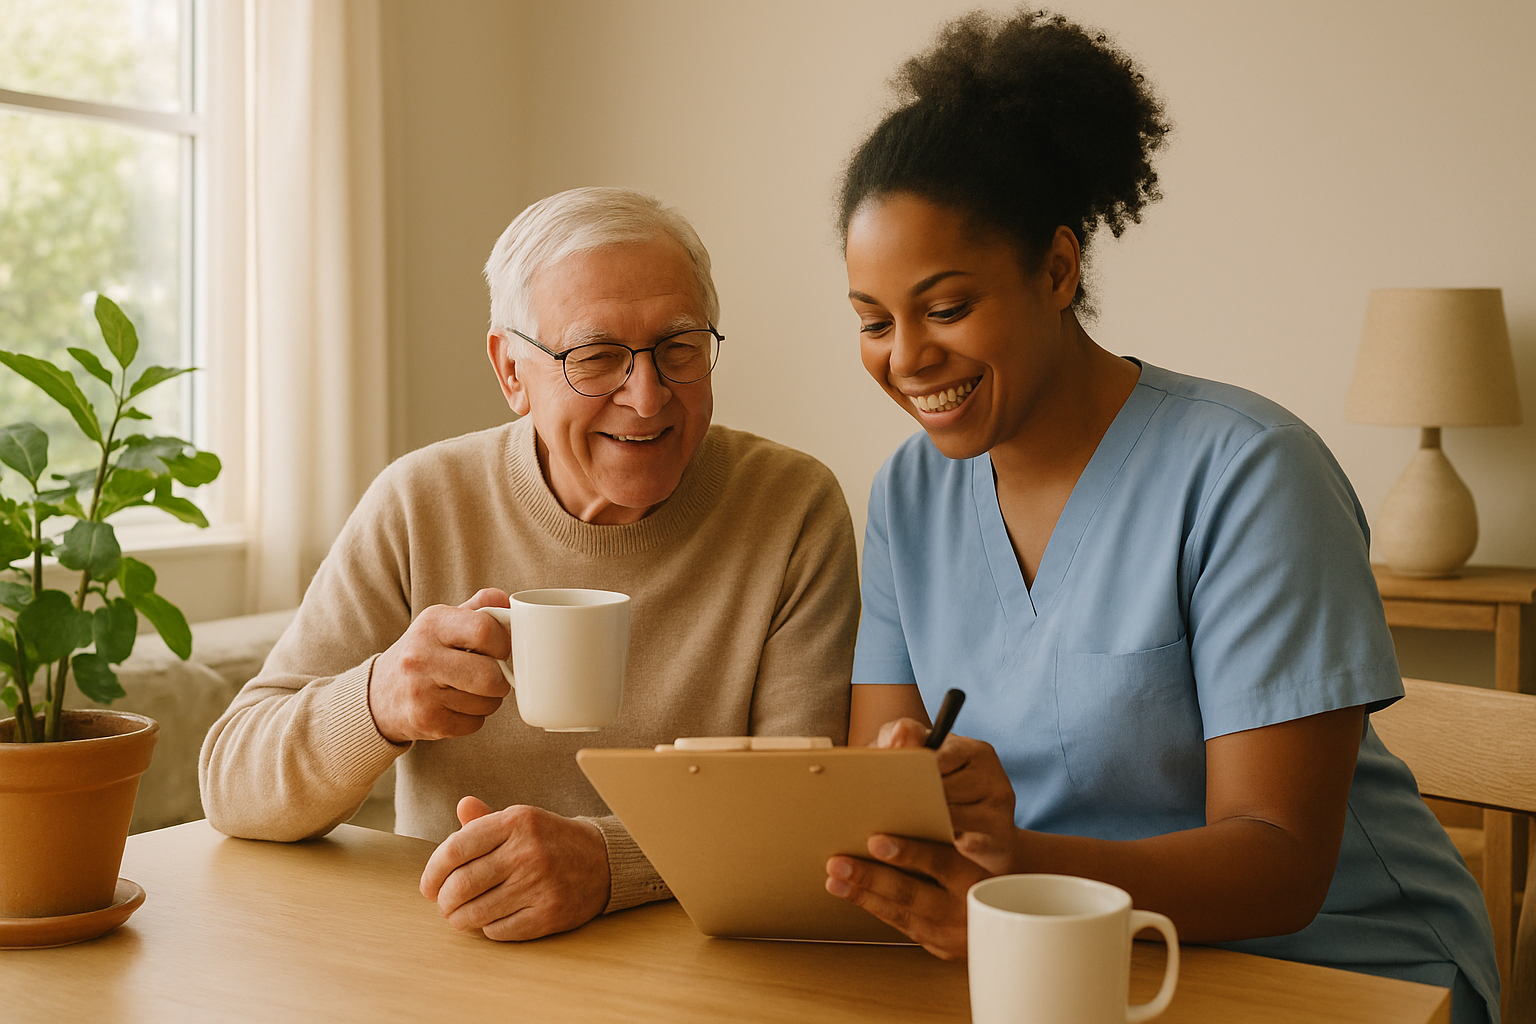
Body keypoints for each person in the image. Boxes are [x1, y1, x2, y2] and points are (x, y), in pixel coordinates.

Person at [820, 11, 1499, 1023]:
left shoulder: (1249, 473)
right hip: (1058, 969)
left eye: (947, 306)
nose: (906, 355)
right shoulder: (907, 499)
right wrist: (920, 813)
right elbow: (882, 792)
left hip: (1340, 970)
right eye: (873, 320)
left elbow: (1281, 862)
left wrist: (1018, 881)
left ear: (1058, 270)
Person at [200, 186, 859, 942]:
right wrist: (379, 699)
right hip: (453, 958)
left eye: (678, 349)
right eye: (596, 356)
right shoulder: (422, 502)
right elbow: (230, 783)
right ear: (511, 371)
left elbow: (799, 811)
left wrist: (610, 864)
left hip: (695, 962)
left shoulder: (791, 508)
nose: (646, 397)